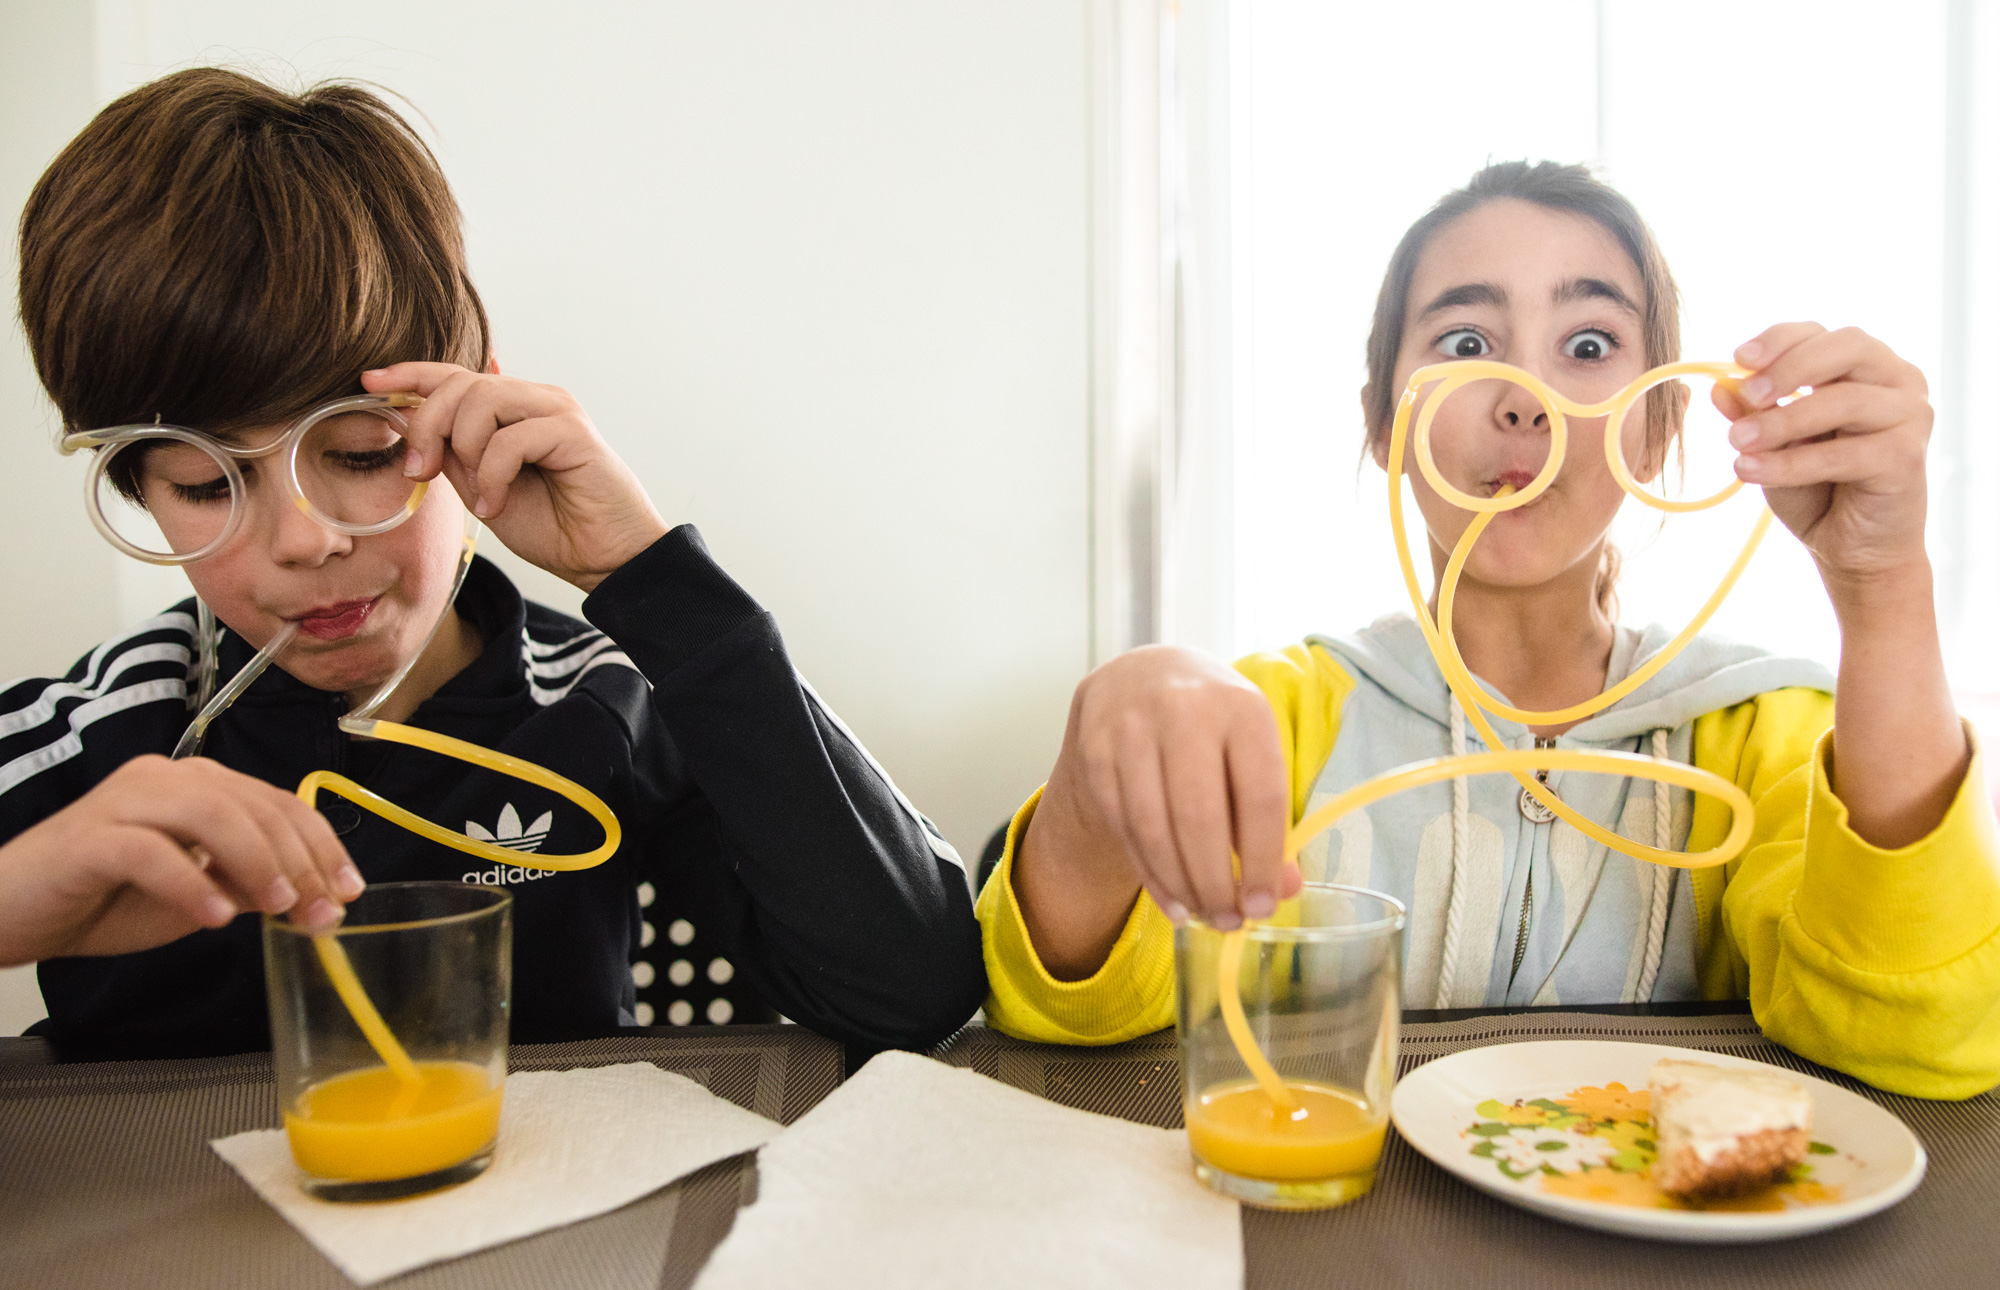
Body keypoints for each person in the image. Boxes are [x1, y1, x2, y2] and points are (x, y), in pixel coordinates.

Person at [1, 68, 984, 1058]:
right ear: (136, 489)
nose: (305, 539)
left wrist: (650, 579)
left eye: (360, 454)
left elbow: (908, 991)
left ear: (469, 411)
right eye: (206, 485)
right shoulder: (85, 745)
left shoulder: (602, 709)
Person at [978, 161, 2000, 1099]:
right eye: (1466, 343)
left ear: (1658, 423)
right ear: (1383, 422)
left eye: (1588, 346)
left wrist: (1880, 585)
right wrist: (1102, 747)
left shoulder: (1765, 733)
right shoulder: (1273, 719)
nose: (1524, 399)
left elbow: (1918, 1036)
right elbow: (1059, 1006)